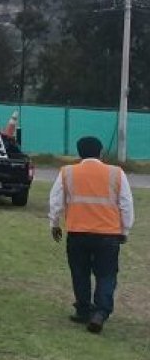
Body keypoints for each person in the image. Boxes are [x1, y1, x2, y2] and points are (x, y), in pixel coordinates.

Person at [48, 136, 135, 333]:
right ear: (101, 152)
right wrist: (125, 230)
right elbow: (126, 204)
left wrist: (54, 224)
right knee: (106, 274)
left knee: (80, 272)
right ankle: (100, 312)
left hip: (78, 231)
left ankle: (83, 309)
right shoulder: (116, 173)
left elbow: (55, 201)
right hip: (108, 234)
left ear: (79, 153)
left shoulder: (67, 172)